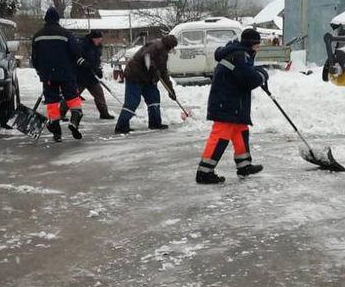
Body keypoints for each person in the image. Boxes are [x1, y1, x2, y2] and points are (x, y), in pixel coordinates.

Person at [196, 28, 269, 184]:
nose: (259, 48)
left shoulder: (239, 53)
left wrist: (256, 71)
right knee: (221, 134)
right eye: (257, 44)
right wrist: (263, 75)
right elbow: (249, 80)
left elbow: (243, 73)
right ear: (252, 44)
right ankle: (204, 171)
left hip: (232, 101)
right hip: (226, 102)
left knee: (240, 130)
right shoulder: (241, 55)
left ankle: (244, 166)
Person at [31, 7, 85, 142]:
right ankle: (75, 119)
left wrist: (40, 72)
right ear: (58, 19)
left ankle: (56, 130)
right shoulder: (66, 34)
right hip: (66, 72)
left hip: (48, 75)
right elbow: (76, 51)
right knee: (72, 97)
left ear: (45, 19)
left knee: (52, 101)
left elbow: (35, 58)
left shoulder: (37, 36)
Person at [114, 34, 178, 134]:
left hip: (148, 79)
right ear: (169, 45)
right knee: (133, 102)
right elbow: (146, 57)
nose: (172, 49)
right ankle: (121, 126)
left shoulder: (164, 53)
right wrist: (153, 69)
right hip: (135, 75)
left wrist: (170, 90)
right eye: (172, 47)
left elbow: (164, 72)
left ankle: (155, 123)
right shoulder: (155, 45)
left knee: (154, 99)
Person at [71, 30, 114, 120]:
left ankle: (104, 113)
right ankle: (61, 113)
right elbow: (76, 57)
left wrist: (98, 70)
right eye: (99, 39)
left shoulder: (98, 47)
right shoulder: (82, 44)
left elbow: (97, 60)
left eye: (101, 39)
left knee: (99, 94)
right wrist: (85, 64)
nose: (100, 41)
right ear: (93, 38)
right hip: (81, 76)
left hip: (92, 77)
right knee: (73, 96)